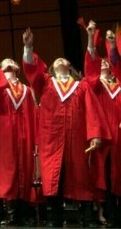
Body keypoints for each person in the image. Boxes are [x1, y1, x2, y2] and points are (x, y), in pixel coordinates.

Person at [22, 27, 110, 227]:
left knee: (81, 176)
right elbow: (32, 72)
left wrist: (95, 134)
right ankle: (55, 218)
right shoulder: (46, 83)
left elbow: (91, 110)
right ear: (53, 68)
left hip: (76, 138)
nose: (60, 60)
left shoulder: (81, 86)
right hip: (51, 139)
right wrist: (28, 47)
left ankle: (87, 217)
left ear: (70, 66)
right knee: (54, 177)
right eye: (57, 60)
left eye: (64, 59)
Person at [0, 56, 38, 227]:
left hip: (23, 137)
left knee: (23, 173)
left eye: (11, 62)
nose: (8, 63)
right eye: (4, 63)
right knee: (1, 174)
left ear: (17, 68)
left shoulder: (27, 90)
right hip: (2, 137)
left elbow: (33, 115)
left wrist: (34, 139)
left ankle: (20, 215)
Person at [84, 21, 121, 227]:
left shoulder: (119, 85)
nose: (104, 63)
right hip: (105, 137)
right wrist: (91, 38)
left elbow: (117, 62)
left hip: (120, 136)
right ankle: (107, 213)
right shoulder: (96, 85)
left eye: (107, 62)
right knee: (105, 176)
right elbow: (90, 65)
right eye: (102, 62)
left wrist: (112, 45)